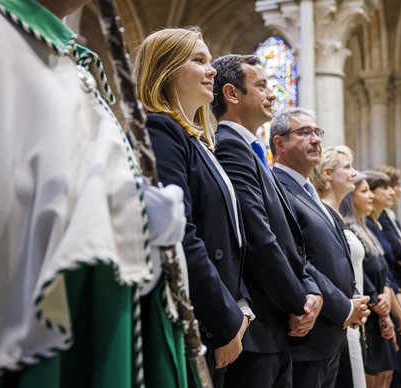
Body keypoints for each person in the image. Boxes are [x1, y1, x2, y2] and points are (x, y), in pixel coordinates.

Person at [0, 0, 186, 386]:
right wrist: (128, 214)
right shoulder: (7, 37)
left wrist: (136, 224)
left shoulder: (69, 61)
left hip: (100, 310)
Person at [134, 27, 254, 387]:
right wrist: (224, 319)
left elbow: (231, 236)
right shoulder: (159, 129)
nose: (212, 69)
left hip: (223, 314)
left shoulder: (198, 141)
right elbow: (180, 234)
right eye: (198, 60)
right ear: (166, 70)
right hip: (194, 318)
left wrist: (241, 308)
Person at [211, 54, 321, 388]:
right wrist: (299, 301)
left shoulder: (252, 151)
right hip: (259, 327)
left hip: (275, 324)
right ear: (232, 94)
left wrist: (309, 289)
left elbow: (289, 238)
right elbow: (259, 237)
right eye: (261, 85)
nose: (272, 94)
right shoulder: (230, 147)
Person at [270, 108, 369, 387]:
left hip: (330, 333)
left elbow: (338, 255)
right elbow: (297, 258)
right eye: (304, 133)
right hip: (309, 336)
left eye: (317, 132)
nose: (315, 139)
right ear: (280, 144)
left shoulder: (308, 191)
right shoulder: (277, 187)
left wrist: (355, 298)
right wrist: (343, 307)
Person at [311, 145, 369, 388]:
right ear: (327, 174)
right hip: (337, 316)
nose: (354, 173)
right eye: (347, 167)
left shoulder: (337, 215)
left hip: (351, 313)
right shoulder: (321, 211)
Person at [340, 174, 397, 388]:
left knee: (384, 374)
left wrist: (385, 293)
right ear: (349, 197)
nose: (370, 196)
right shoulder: (349, 229)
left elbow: (382, 267)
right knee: (369, 376)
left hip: (379, 304)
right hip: (366, 309)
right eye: (364, 191)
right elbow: (358, 272)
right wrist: (377, 301)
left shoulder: (367, 228)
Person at [372, 165, 401, 388]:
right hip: (380, 301)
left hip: (393, 295)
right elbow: (399, 256)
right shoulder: (374, 224)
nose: (394, 191)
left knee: (393, 372)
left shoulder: (382, 221)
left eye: (395, 186)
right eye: (388, 187)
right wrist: (399, 312)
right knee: (386, 373)